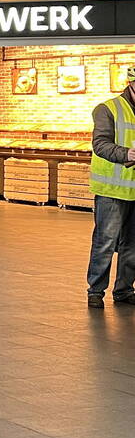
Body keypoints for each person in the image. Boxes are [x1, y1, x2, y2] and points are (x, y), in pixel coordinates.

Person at [87, 66, 135, 308]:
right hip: (112, 191)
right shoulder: (108, 109)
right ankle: (95, 290)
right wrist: (127, 153)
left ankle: (124, 290)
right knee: (105, 241)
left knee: (133, 244)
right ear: (131, 83)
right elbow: (100, 144)